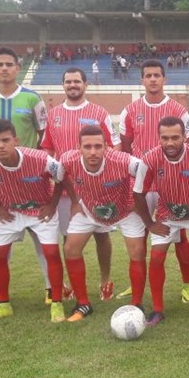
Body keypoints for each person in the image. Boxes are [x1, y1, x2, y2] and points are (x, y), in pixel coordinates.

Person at [133, 116, 189, 330]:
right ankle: (157, 310)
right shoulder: (150, 159)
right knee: (156, 257)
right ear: (159, 138)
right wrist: (150, 224)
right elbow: (138, 194)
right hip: (168, 215)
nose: (170, 143)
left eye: (175, 137)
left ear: (185, 137)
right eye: (164, 138)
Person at [0, 119, 66, 323]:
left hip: (40, 210)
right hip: (10, 211)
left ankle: (57, 303)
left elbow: (61, 177)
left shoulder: (41, 158)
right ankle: (4, 305)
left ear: (16, 140)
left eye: (5, 140)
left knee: (51, 252)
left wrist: (52, 204)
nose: (0, 145)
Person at [119, 59, 189, 303]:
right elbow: (125, 149)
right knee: (139, 234)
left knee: (180, 235)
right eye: (148, 75)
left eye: (156, 75)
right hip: (142, 184)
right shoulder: (130, 111)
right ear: (142, 80)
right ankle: (138, 283)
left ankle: (187, 286)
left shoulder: (179, 110)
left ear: (165, 79)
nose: (152, 79)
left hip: (171, 184)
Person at [42, 67, 119, 301]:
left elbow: (114, 145)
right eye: (68, 81)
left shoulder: (98, 112)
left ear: (86, 84)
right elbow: (47, 147)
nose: (72, 85)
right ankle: (75, 284)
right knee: (69, 236)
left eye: (77, 81)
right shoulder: (53, 114)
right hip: (65, 190)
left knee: (101, 235)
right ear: (63, 85)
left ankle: (105, 279)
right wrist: (53, 169)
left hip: (97, 187)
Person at [60, 125, 147, 322]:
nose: (93, 151)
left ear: (107, 147)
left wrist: (137, 200)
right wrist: (74, 200)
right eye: (87, 146)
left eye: (98, 146)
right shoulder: (67, 159)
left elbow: (147, 171)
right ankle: (83, 303)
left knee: (137, 252)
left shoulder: (123, 160)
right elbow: (60, 176)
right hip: (90, 210)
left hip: (124, 210)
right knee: (70, 248)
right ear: (78, 147)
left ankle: (136, 304)